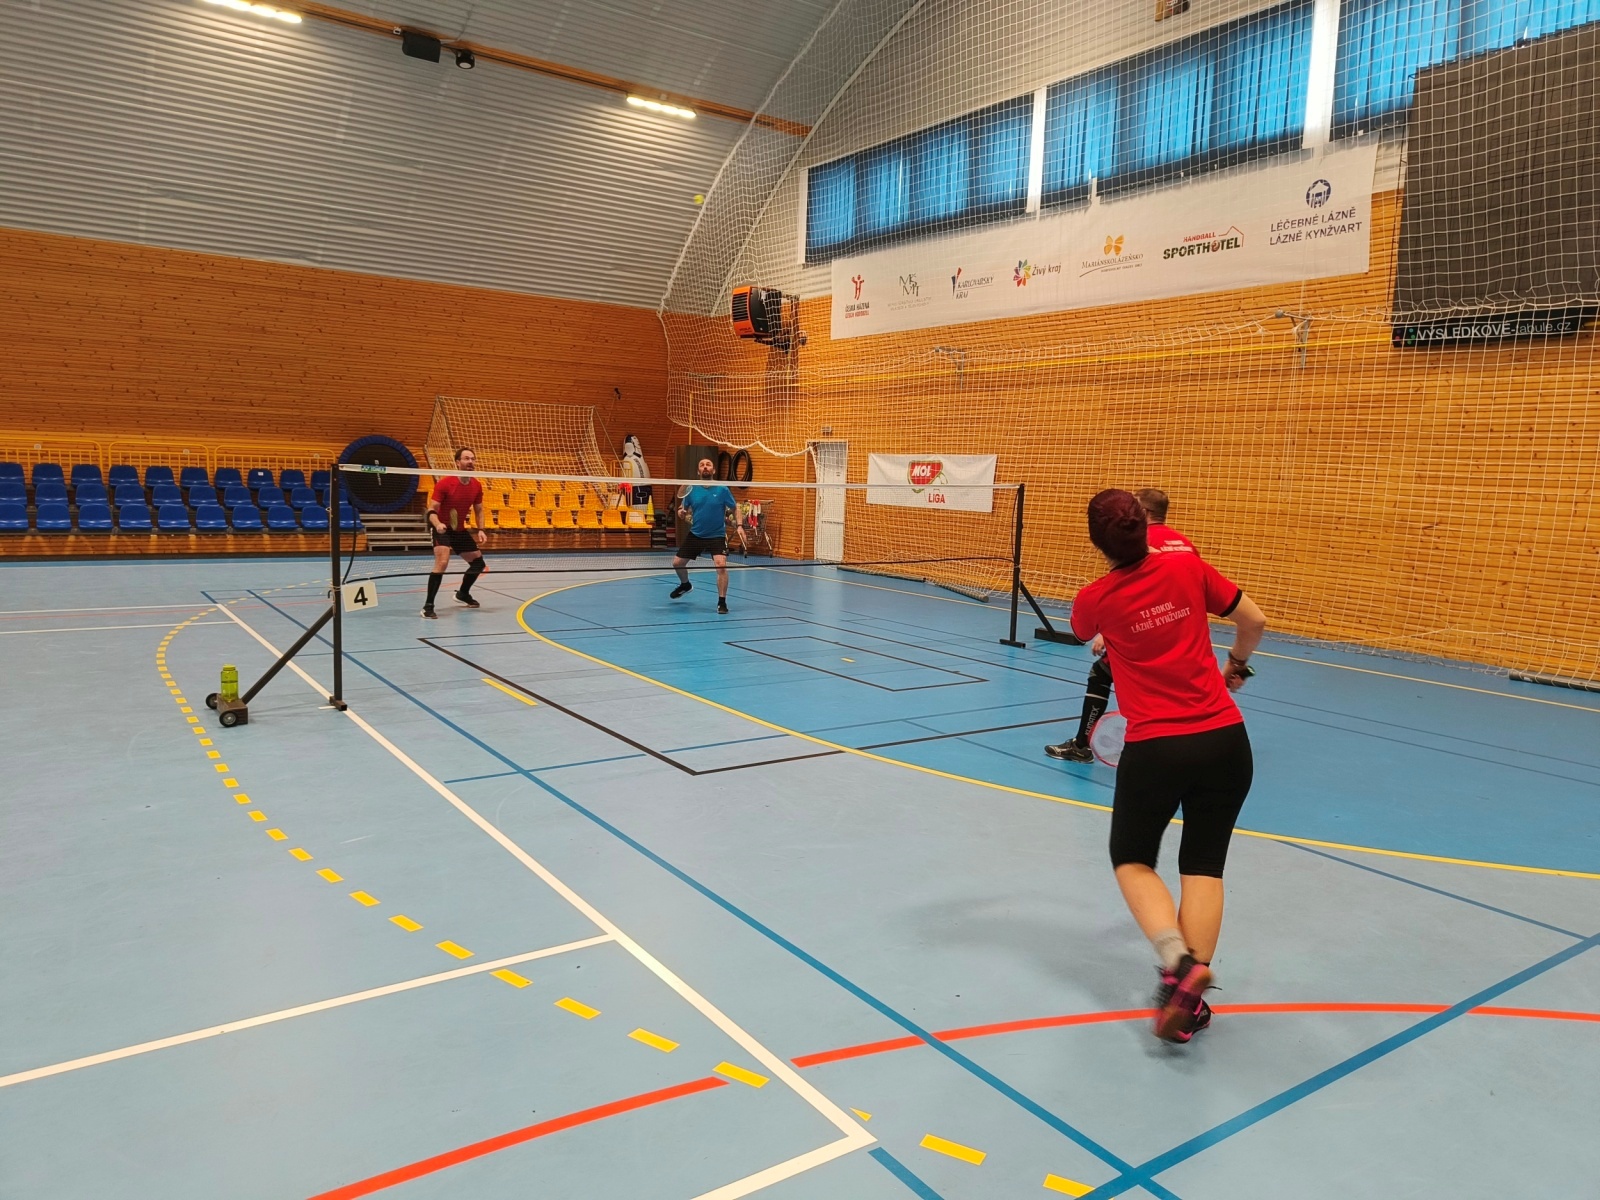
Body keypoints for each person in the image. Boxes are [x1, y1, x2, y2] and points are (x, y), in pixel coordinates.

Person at [1068, 489, 1265, 1043]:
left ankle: (1179, 961)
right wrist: (1236, 665)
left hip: (1158, 749)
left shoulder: (1095, 600)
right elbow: (1254, 620)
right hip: (1226, 741)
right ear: (1147, 527)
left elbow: (1084, 633)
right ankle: (1189, 1004)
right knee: (1203, 866)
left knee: (1132, 859)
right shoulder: (1188, 566)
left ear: (1097, 543)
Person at [1046, 488, 1195, 763]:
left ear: (1144, 513)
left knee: (1102, 675)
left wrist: (1106, 632)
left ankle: (1082, 745)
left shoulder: (1141, 540)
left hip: (1144, 634)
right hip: (1180, 632)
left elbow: (1133, 590)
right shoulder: (1184, 544)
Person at [422, 447, 488, 619]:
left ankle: (463, 593)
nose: (470, 462)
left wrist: (481, 529)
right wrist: (438, 524)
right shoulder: (445, 483)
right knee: (442, 563)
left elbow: (479, 510)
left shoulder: (476, 485)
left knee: (478, 563)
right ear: (458, 462)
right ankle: (428, 606)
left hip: (458, 530)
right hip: (442, 528)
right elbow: (431, 510)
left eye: (472, 459)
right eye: (466, 458)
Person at [670, 457, 737, 613]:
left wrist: (739, 525)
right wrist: (681, 512)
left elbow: (735, 508)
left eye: (708, 464)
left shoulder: (722, 489)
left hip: (717, 535)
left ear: (713, 470)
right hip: (697, 534)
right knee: (677, 563)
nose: (705, 467)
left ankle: (722, 602)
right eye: (702, 465)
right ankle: (685, 585)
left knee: (721, 565)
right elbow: (682, 509)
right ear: (698, 471)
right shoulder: (691, 489)